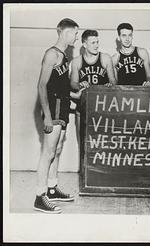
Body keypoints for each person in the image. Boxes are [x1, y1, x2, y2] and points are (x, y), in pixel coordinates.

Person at [34, 18, 79, 213]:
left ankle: (52, 188)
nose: (76, 37)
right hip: (53, 107)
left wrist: (77, 94)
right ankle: (39, 197)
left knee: (58, 148)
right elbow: (42, 85)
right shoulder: (52, 54)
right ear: (64, 33)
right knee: (48, 152)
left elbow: (61, 86)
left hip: (63, 105)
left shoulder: (64, 55)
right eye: (75, 33)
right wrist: (46, 116)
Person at [70, 29, 117, 105]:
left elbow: (113, 81)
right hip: (84, 103)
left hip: (102, 103)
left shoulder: (106, 58)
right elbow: (73, 83)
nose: (96, 46)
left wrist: (110, 85)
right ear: (85, 45)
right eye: (93, 43)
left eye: (97, 42)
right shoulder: (76, 61)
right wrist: (80, 85)